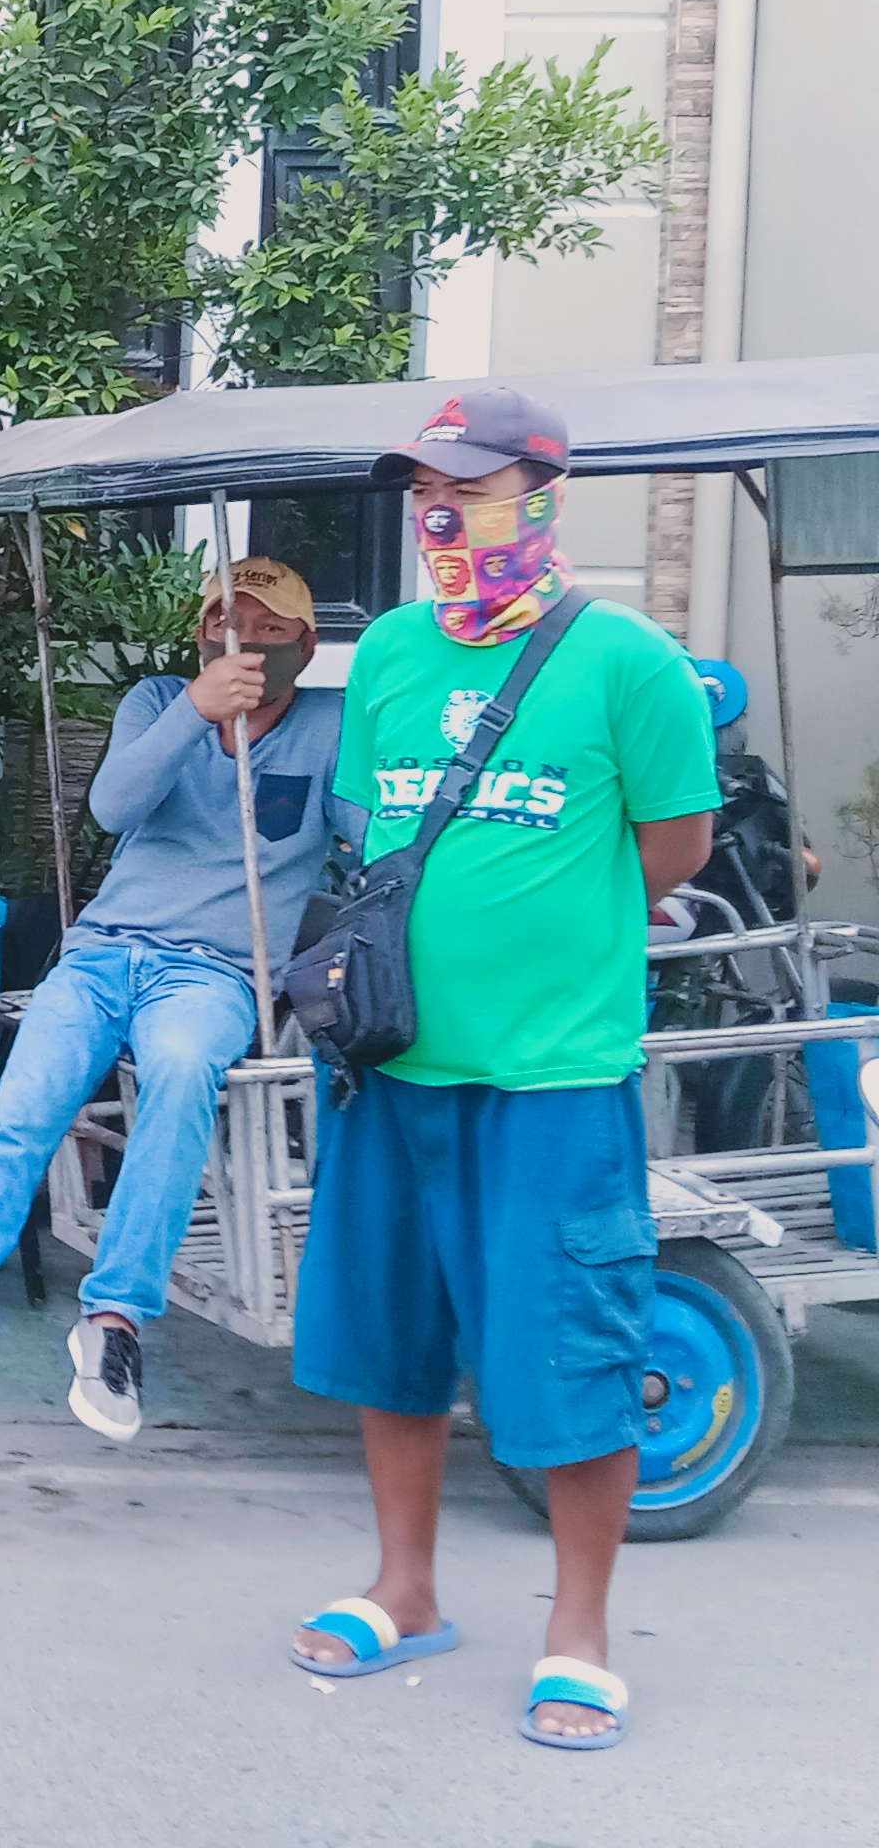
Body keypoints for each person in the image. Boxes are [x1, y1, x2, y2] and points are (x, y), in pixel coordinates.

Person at [283, 388, 717, 1750]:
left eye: (467, 486)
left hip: (551, 1081)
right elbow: (369, 842)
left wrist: (542, 944)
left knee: (571, 1351)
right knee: (391, 1343)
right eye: (424, 486)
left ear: (542, 494)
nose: (440, 510)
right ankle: (405, 1589)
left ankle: (578, 1633)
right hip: (393, 1067)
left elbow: (675, 851)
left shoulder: (627, 664)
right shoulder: (396, 657)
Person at [0, 556, 354, 1439]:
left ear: (305, 647)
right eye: (224, 622)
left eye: (269, 628)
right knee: (24, 1111)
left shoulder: (331, 727)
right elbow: (115, 806)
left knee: (179, 1076)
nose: (244, 640)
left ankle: (115, 1323)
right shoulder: (160, 703)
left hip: (217, 971)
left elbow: (373, 837)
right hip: (102, 954)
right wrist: (201, 709)